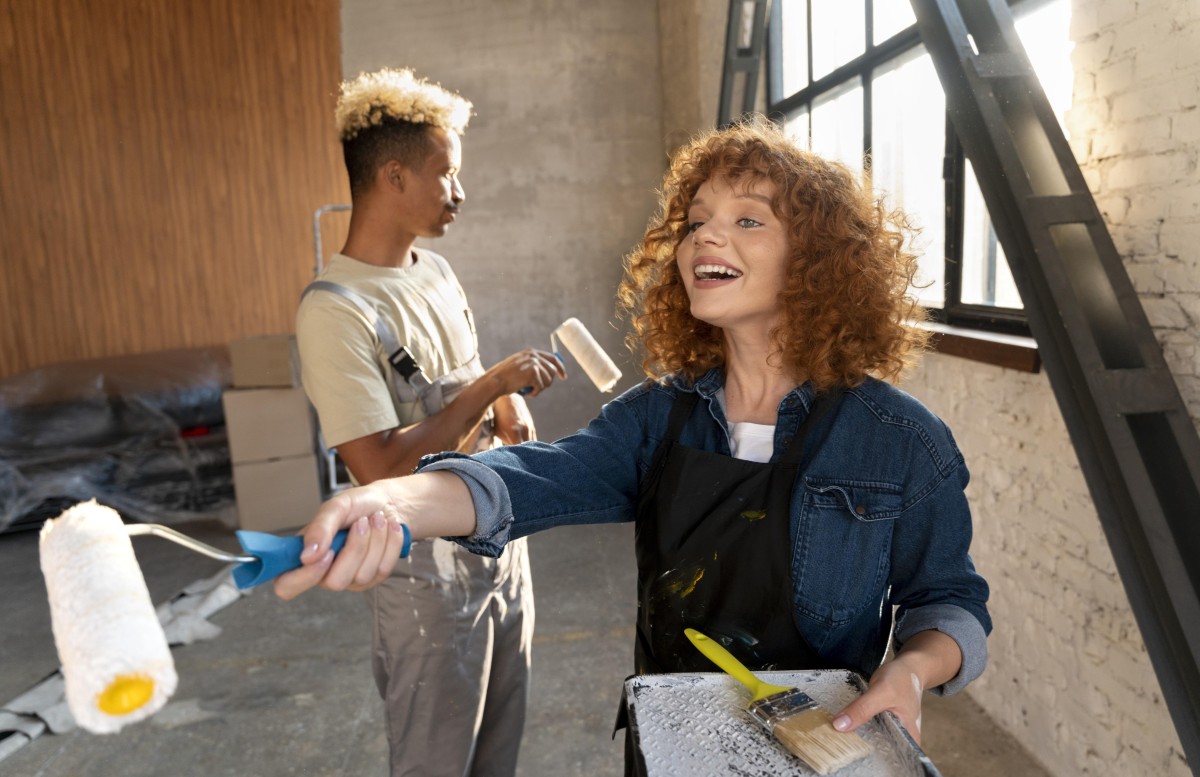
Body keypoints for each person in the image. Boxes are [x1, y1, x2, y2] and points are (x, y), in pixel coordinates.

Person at [280, 116, 991, 769]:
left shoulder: (897, 439)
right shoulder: (656, 419)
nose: (705, 237)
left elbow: (950, 599)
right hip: (673, 748)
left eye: (747, 219)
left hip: (820, 750)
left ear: (819, 261)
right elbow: (529, 479)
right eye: (696, 221)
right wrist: (390, 499)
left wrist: (912, 668)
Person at [294, 67, 565, 777]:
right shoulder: (335, 309)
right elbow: (379, 469)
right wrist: (491, 385)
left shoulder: (436, 273)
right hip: (423, 577)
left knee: (499, 749)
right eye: (446, 173)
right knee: (437, 761)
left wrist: (511, 406)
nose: (459, 192)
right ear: (393, 176)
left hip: (500, 543)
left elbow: (472, 376)